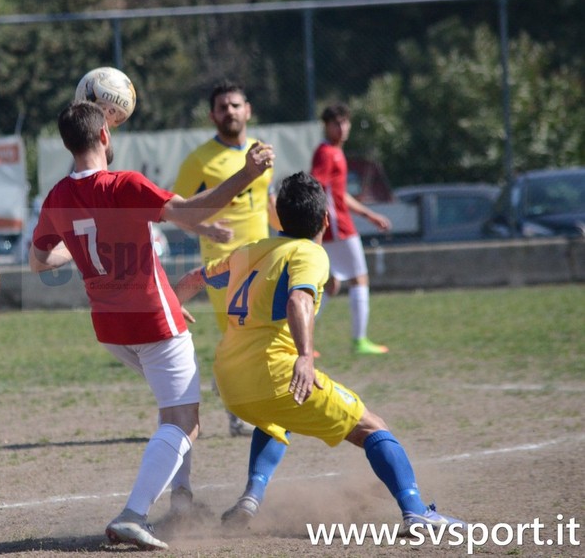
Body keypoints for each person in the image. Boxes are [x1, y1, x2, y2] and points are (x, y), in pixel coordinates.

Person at [29, 100, 274, 550]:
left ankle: (180, 501)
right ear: (105, 135)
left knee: (171, 408)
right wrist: (246, 174)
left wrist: (78, 244)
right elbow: (192, 213)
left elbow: (39, 261)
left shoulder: (57, 196)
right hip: (153, 321)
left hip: (110, 327)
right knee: (185, 420)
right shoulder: (125, 183)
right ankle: (133, 514)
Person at [175, 171, 463, 531]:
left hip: (230, 381)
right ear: (325, 220)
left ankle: (252, 497)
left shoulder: (249, 251)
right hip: (273, 373)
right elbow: (298, 300)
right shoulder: (309, 252)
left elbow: (193, 278)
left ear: (279, 219)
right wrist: (305, 357)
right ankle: (416, 511)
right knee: (373, 427)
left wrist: (173, 306)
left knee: (278, 417)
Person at [173, 80, 280, 438]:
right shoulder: (199, 160)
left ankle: (232, 388)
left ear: (248, 110)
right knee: (239, 332)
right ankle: (239, 412)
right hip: (223, 261)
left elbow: (267, 202)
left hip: (263, 256)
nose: (230, 111)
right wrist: (206, 228)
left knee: (260, 332)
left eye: (235, 105)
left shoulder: (261, 153)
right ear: (212, 116)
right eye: (222, 107)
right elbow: (175, 212)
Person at [310, 103, 391, 355]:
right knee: (359, 278)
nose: (342, 128)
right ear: (326, 126)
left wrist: (369, 215)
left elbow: (339, 193)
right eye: (336, 123)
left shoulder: (335, 151)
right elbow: (316, 185)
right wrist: (318, 222)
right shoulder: (326, 153)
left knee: (330, 284)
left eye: (345, 122)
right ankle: (359, 340)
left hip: (334, 224)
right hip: (336, 226)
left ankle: (297, 339)